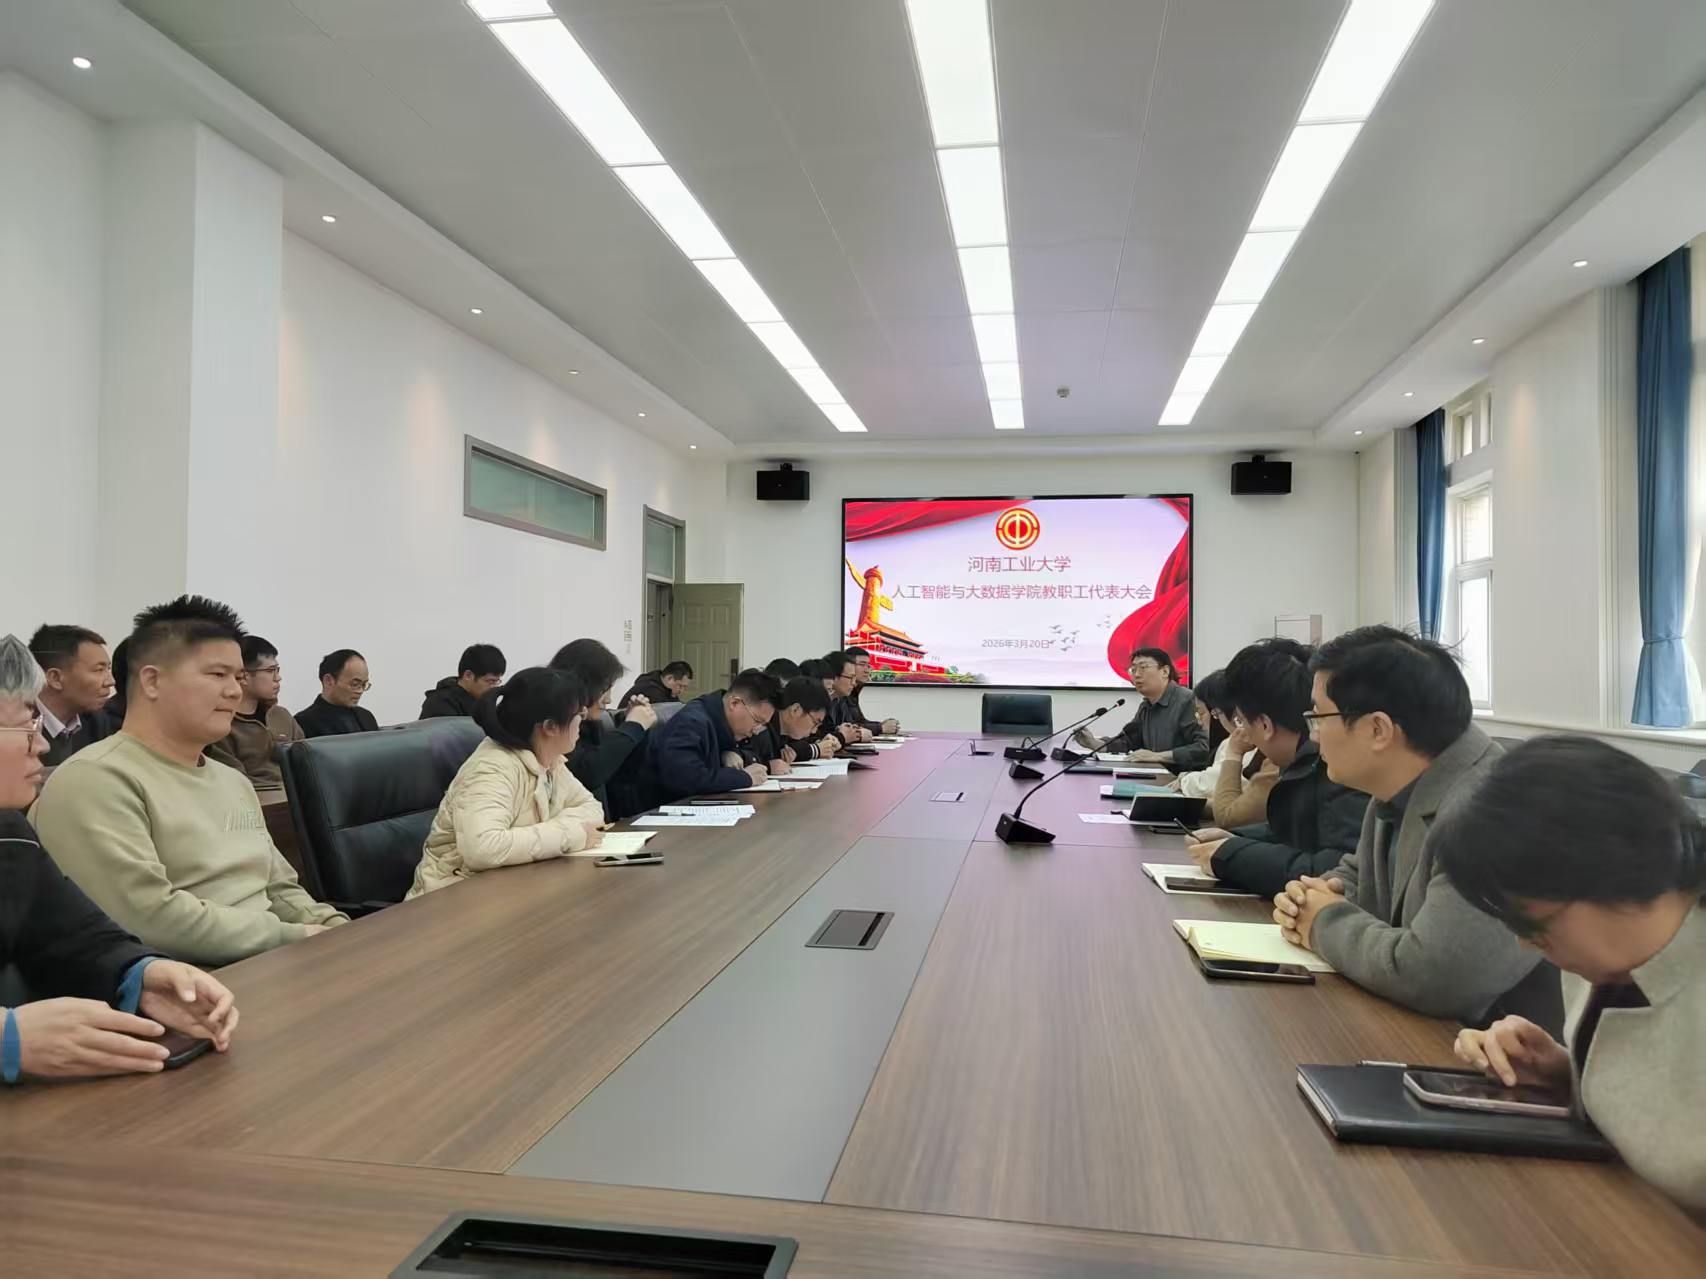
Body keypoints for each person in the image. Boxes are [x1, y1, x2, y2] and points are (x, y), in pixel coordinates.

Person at [1434, 737, 1704, 1218]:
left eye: (1529, 921)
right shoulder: (1603, 959)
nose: (1525, 942)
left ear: (1606, 870)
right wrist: (1561, 1071)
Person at [30, 596, 348, 966]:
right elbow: (150, 918)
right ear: (152, 681)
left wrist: (336, 929)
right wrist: (296, 937)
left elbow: (278, 887)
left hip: (275, 963)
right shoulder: (95, 780)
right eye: (217, 675)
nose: (234, 691)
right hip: (193, 986)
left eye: (238, 677)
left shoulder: (233, 782)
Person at [1271, 626, 1560, 1032]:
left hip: (1491, 1052)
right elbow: (1358, 876)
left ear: (1378, 730)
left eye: (1317, 718)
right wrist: (1312, 897)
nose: (1313, 737)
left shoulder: (1497, 810)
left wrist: (1322, 922)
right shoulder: (1399, 786)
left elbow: (1437, 976)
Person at [0, 635, 239, 1082]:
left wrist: (143, 975)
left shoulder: (9, 833)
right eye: (24, 727)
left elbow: (76, 935)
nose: (42, 746)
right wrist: (6, 1038)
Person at [1186, 639, 1368, 899]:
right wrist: (1233, 839)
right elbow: (1294, 833)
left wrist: (1231, 854)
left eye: (1319, 716)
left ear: (1264, 725)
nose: (1315, 733)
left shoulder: (1340, 768)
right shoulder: (1301, 761)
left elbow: (1335, 870)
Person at [407, 667, 605, 898]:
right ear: (550, 727)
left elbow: (591, 808)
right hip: (451, 897)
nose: (582, 722)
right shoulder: (491, 768)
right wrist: (572, 834)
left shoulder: (551, 761)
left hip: (512, 888)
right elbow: (483, 848)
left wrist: (566, 832)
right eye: (578, 715)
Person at [609, 668, 780, 816]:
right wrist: (744, 777)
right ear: (734, 703)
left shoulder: (724, 722)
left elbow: (749, 752)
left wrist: (729, 751)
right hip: (651, 815)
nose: (757, 729)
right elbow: (686, 778)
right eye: (757, 721)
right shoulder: (692, 722)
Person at [548, 638, 657, 818]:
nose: (608, 700)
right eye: (603, 690)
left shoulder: (591, 724)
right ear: (583, 685)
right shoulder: (553, 723)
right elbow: (587, 773)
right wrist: (632, 727)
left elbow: (623, 778)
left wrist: (630, 725)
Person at [1073, 647, 1209, 769]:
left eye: (1143, 667)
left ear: (1165, 671)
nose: (1136, 675)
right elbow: (1128, 741)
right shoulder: (1146, 706)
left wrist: (1159, 756)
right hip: (1156, 776)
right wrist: (1094, 744)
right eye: (1133, 670)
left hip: (1185, 780)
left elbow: (1204, 747)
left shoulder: (1188, 701)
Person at [218, 636, 303, 801]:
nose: (278, 678)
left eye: (278, 670)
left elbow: (307, 762)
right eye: (271, 671)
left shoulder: (281, 716)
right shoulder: (224, 724)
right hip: (257, 803)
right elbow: (235, 784)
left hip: (298, 797)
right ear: (244, 676)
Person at [28, 624, 118, 767]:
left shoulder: (97, 722)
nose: (110, 681)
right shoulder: (16, 724)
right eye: (99, 670)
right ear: (55, 678)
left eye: (108, 669)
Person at [743, 677, 833, 770]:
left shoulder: (784, 732)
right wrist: (768, 767)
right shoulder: (762, 726)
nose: (814, 731)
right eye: (815, 722)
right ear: (795, 710)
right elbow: (743, 762)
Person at [297, 649, 379, 737]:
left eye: (364, 685)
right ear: (328, 680)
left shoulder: (366, 717)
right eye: (355, 684)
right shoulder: (304, 722)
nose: (360, 691)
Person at [419, 643, 507, 719]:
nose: (494, 687)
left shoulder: (484, 704)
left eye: (497, 681)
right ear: (468, 675)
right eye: (490, 681)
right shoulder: (440, 703)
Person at [843, 646, 900, 736]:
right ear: (848, 666)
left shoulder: (854, 692)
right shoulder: (840, 692)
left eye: (868, 666)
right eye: (862, 665)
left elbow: (860, 721)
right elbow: (847, 726)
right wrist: (881, 728)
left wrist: (881, 725)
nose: (867, 670)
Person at [823, 651, 872, 744]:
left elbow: (851, 725)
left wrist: (854, 732)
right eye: (850, 678)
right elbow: (821, 736)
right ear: (834, 677)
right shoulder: (820, 702)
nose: (853, 683)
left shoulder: (840, 699)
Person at [618, 660, 693, 710]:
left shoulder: (667, 690)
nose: (681, 691)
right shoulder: (650, 689)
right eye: (680, 686)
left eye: (684, 687)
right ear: (669, 678)